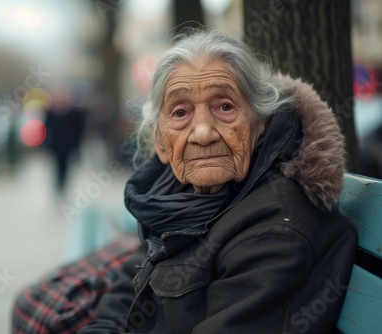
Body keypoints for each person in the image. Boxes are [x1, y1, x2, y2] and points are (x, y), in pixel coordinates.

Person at [75, 30, 357, 333]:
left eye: (224, 107)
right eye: (181, 112)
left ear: (261, 123)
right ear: (160, 140)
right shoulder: (177, 199)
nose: (203, 133)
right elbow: (124, 297)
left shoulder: (277, 232)